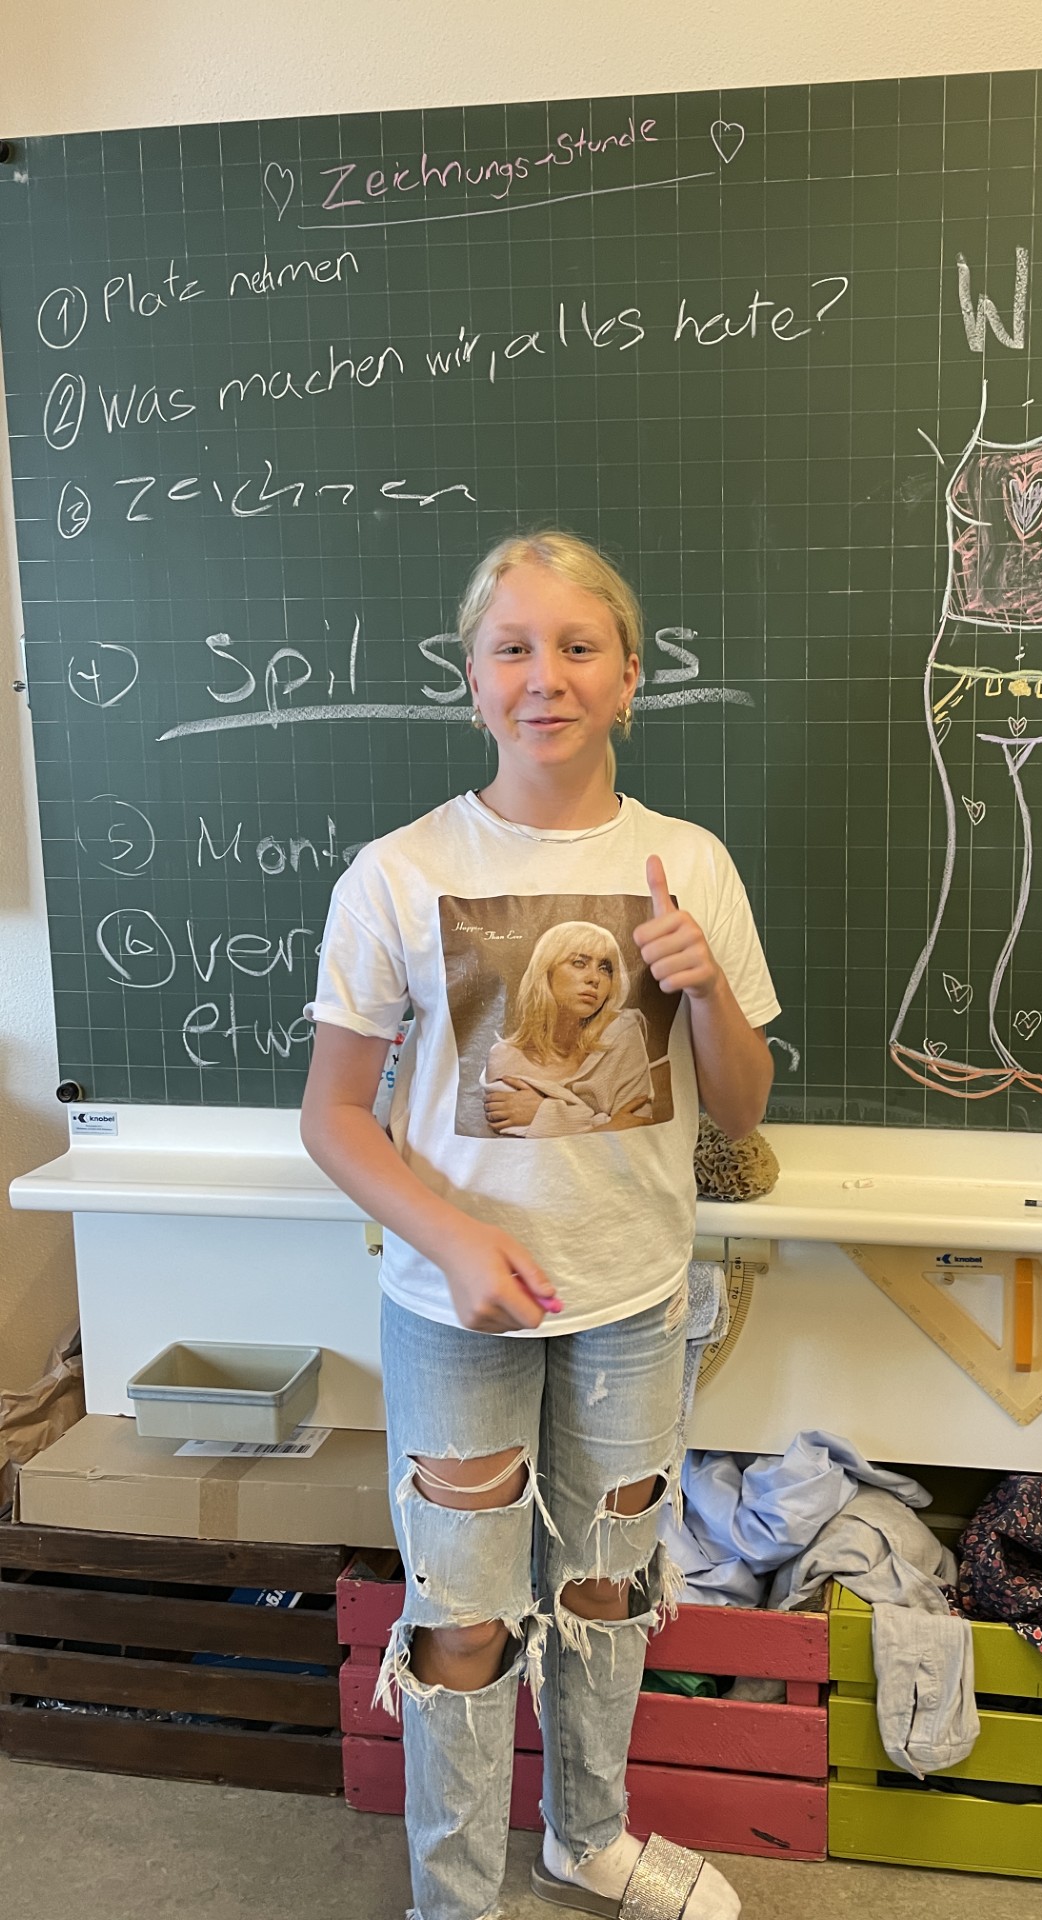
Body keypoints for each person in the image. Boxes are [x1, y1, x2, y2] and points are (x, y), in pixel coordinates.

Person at [301, 530, 778, 1920]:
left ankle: (589, 1836)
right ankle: (454, 1897)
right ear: (472, 680)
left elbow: (740, 1107)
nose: (544, 677)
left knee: (607, 1585)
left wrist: (704, 991)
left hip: (632, 1296)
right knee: (460, 1616)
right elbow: (333, 1117)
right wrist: (452, 1238)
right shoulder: (398, 874)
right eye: (511, 648)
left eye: (578, 647)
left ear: (630, 677)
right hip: (456, 1311)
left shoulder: (689, 865)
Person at [483, 919, 655, 1137]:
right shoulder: (505, 1057)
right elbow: (514, 1150)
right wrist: (605, 1126)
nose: (595, 978)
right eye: (579, 963)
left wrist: (547, 1115)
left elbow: (637, 1129)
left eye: (605, 968)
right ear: (546, 971)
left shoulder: (621, 1033)